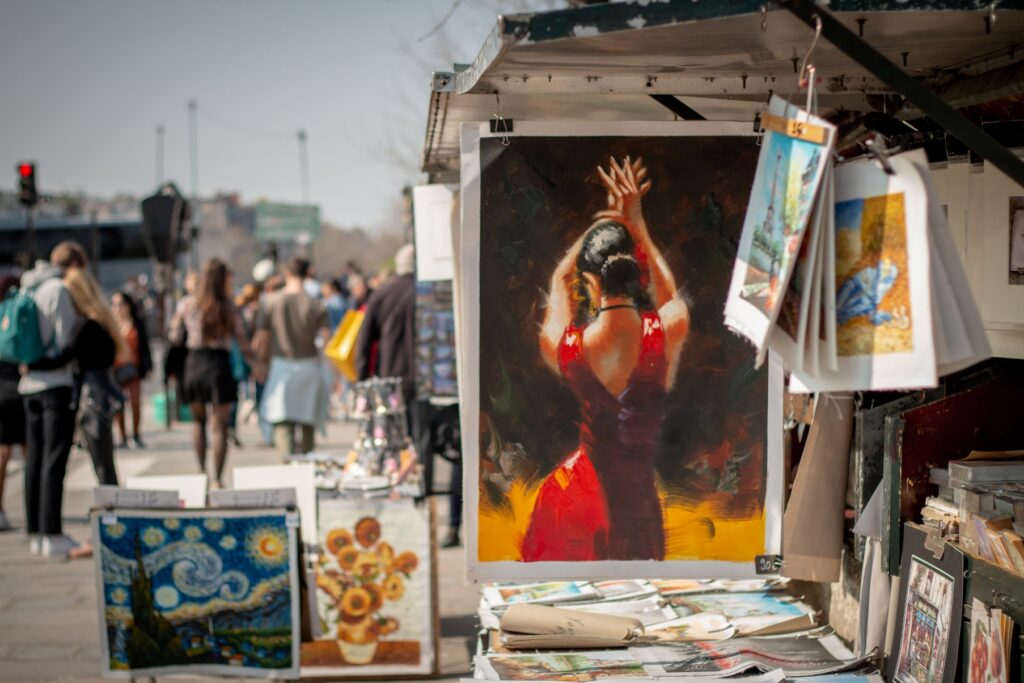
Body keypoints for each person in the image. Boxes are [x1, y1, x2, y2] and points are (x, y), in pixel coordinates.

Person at [521, 157, 690, 562]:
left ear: (591, 282)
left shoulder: (567, 346)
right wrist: (634, 219)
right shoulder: (667, 332)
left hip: (572, 501)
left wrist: (597, 231)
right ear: (639, 276)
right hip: (638, 511)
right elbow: (672, 297)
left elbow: (558, 280)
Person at [18, 241, 88, 557]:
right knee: (54, 459)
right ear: (74, 264)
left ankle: (36, 532)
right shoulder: (58, 290)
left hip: (28, 383)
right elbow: (64, 340)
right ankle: (53, 532)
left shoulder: (28, 286)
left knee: (34, 459)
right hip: (54, 384)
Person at [168, 258, 251, 488]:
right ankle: (217, 478)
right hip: (219, 364)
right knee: (220, 426)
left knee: (198, 422)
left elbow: (174, 336)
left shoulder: (186, 304)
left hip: (194, 363)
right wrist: (255, 364)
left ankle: (201, 472)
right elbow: (242, 340)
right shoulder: (228, 306)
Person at [257, 257, 329, 455]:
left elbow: (262, 337)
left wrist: (259, 364)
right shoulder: (316, 304)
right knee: (307, 423)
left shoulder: (271, 301)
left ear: (287, 274)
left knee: (283, 422)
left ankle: (288, 469)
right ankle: (307, 468)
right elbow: (326, 338)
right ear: (307, 274)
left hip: (282, 365)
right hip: (309, 365)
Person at [356, 244, 416, 411]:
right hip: (425, 375)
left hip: (391, 373)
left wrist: (362, 377)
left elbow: (365, 339)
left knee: (393, 427)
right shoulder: (427, 291)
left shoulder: (381, 294)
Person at [0, 274, 25, 532]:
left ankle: (0, 509)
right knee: (31, 452)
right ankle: (34, 510)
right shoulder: (21, 311)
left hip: (0, 388)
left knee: (2, 453)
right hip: (20, 385)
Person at [112, 290, 151, 448]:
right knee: (118, 404)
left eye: (121, 304)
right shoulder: (111, 324)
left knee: (135, 403)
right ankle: (122, 437)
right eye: (114, 304)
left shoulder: (137, 323)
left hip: (134, 369)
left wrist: (148, 366)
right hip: (116, 370)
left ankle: (135, 435)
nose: (118, 308)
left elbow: (144, 346)